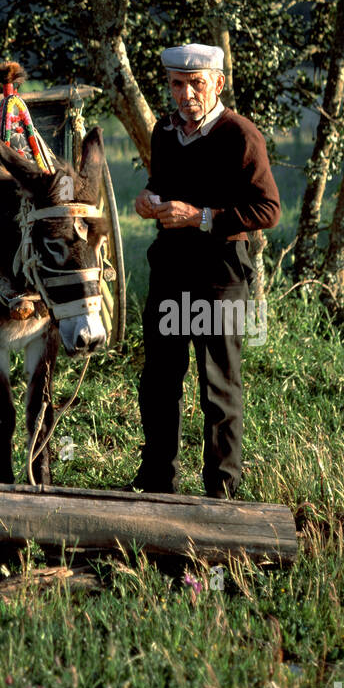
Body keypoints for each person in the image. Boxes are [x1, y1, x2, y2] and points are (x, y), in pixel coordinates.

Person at [130, 44, 281, 499]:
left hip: (220, 276)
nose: (186, 93)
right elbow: (162, 187)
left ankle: (221, 495)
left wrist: (202, 217)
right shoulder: (164, 132)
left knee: (218, 387)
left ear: (217, 83)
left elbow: (268, 209)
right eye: (178, 84)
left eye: (197, 83)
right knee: (158, 381)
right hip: (171, 271)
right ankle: (158, 483)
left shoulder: (240, 135)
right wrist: (147, 200)